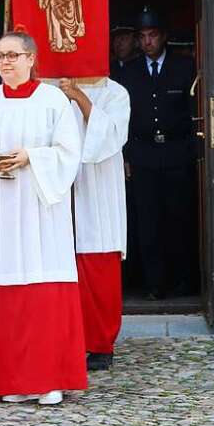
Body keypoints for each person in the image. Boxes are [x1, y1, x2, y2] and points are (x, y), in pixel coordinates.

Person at [0, 30, 87, 404]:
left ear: (32, 59)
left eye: (14, 55)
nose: (6, 62)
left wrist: (32, 156)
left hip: (38, 209)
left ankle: (48, 379)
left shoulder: (53, 102)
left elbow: (69, 152)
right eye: (0, 56)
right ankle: (9, 381)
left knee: (42, 291)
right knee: (1, 292)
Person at [121, 7, 198, 299]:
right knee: (148, 223)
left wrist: (193, 149)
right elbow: (123, 118)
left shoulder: (184, 67)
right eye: (142, 37)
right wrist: (127, 155)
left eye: (152, 35)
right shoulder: (129, 72)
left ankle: (184, 280)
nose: (147, 42)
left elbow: (194, 112)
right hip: (143, 154)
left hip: (176, 152)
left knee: (178, 219)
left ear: (164, 36)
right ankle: (155, 283)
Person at [62, 76, 130, 371]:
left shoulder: (115, 91)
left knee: (98, 261)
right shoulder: (47, 89)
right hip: (59, 185)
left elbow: (110, 137)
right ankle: (66, 341)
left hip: (98, 184)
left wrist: (79, 97)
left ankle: (101, 344)